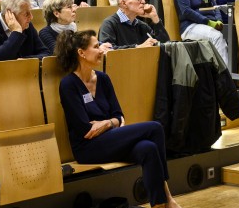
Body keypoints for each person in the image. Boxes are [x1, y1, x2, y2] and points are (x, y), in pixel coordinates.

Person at [56, 29, 182, 208]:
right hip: (87, 148)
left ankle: (159, 204)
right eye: (96, 46)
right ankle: (169, 197)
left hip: (111, 140)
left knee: (149, 148)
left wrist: (107, 123)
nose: (101, 50)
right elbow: (86, 130)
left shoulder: (103, 78)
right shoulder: (68, 84)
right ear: (81, 53)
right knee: (154, 128)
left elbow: (118, 115)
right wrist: (112, 123)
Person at [99, 0, 169, 48]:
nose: (143, 2)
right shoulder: (109, 24)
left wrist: (155, 18)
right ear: (124, 3)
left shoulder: (142, 26)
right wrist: (137, 47)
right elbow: (107, 50)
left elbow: (166, 47)